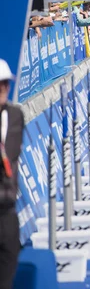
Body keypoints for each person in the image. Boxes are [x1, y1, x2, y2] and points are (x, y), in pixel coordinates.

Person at [0, 59, 25, 289]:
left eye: (6, 84)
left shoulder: (15, 116)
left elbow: (12, 152)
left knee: (9, 263)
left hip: (7, 208)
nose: (3, 90)